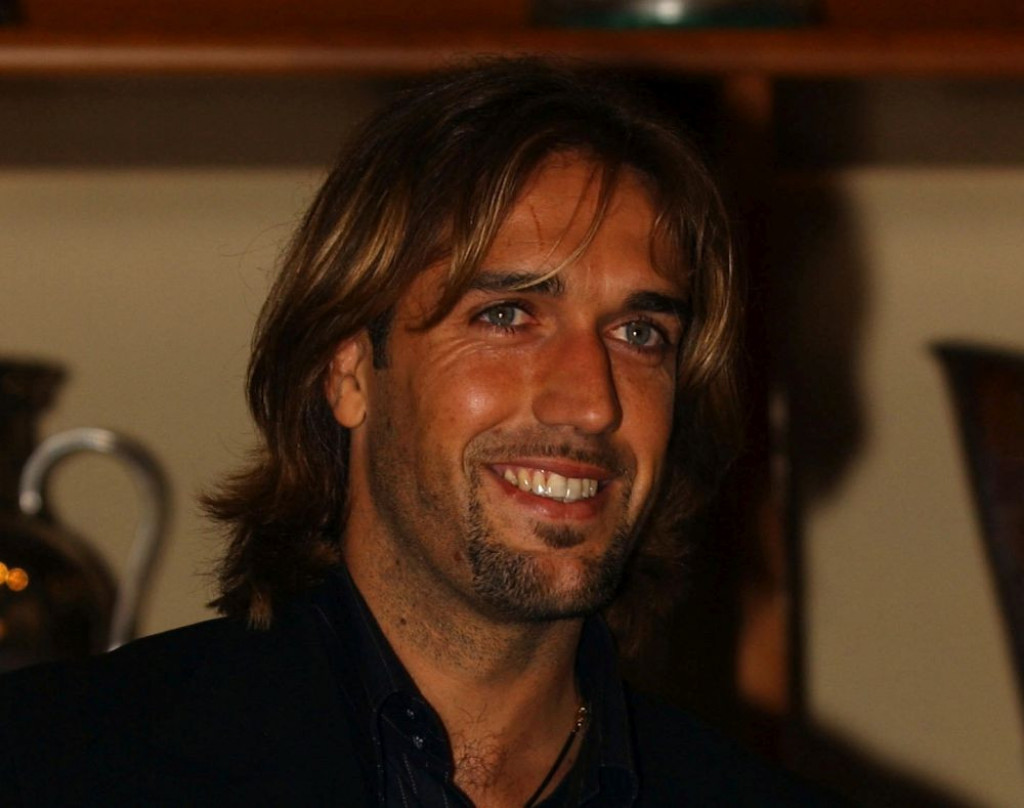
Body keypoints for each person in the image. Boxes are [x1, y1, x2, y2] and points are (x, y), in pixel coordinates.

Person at [0, 58, 831, 806]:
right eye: (507, 315)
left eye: (639, 333)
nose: (591, 403)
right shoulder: (49, 765)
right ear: (350, 372)